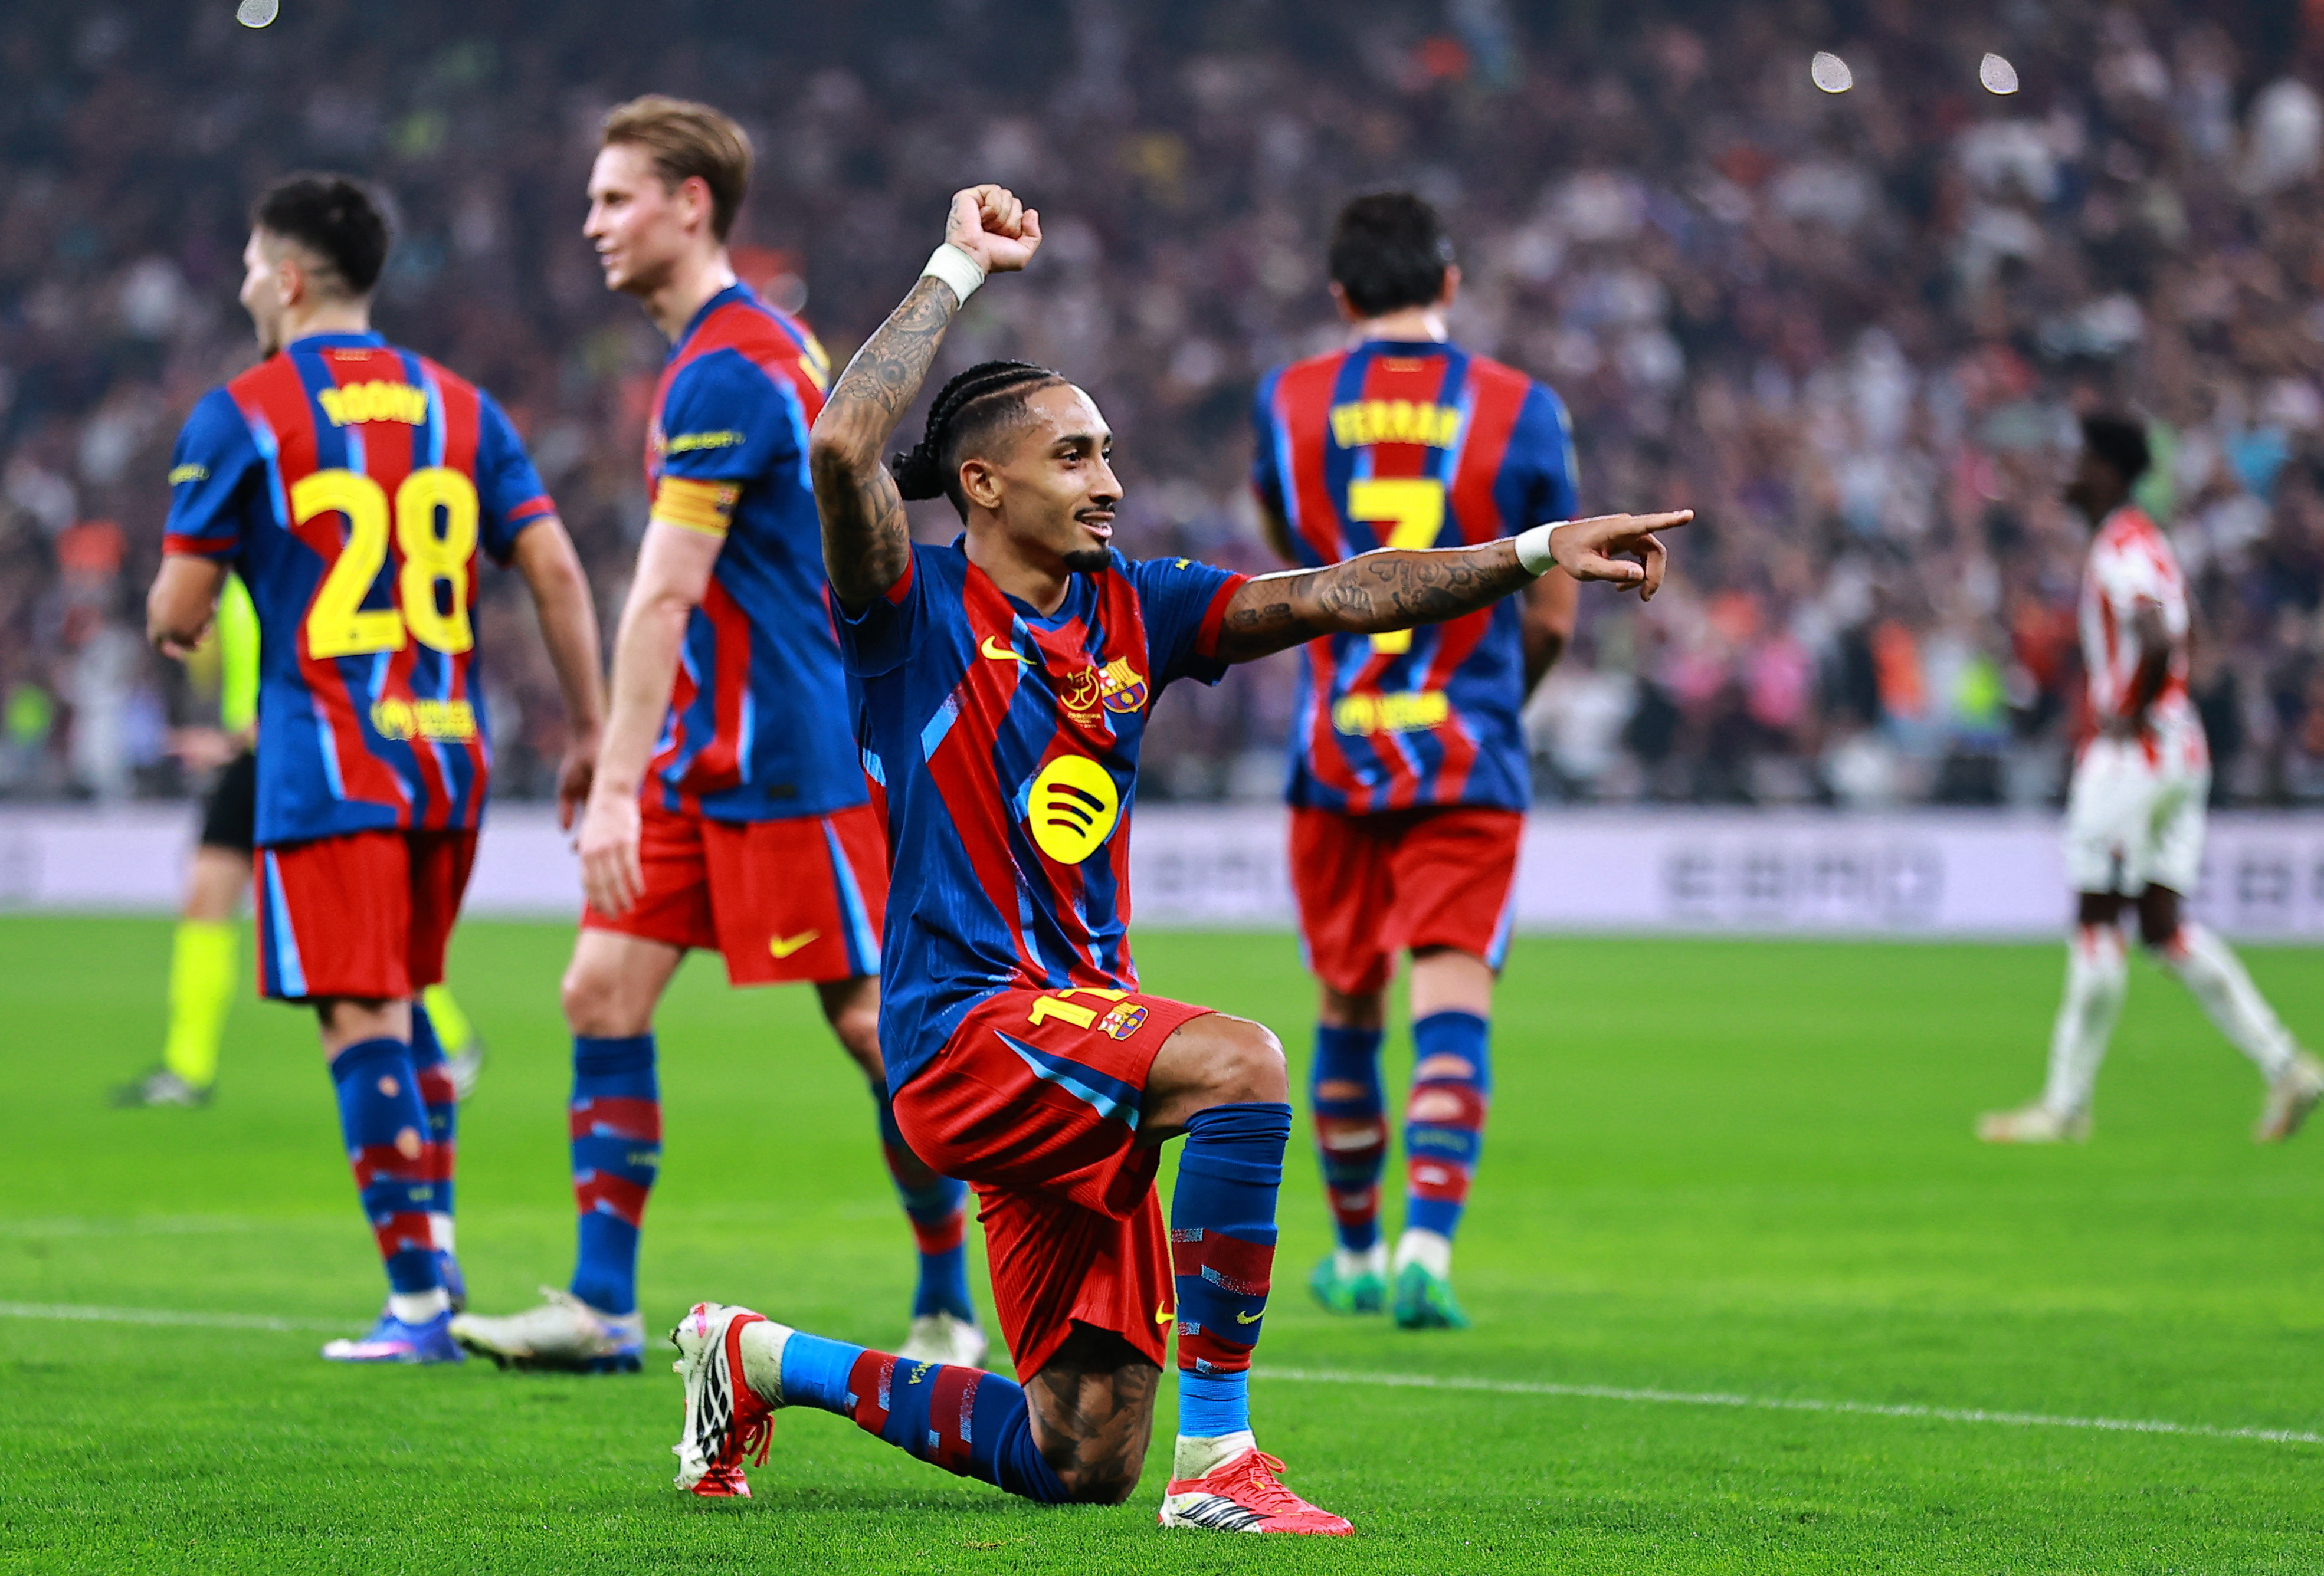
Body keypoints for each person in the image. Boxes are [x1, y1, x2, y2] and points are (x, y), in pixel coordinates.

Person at [664, 184, 1687, 1533]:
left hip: (1068, 1026)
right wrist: (956, 266)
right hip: (963, 1024)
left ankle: (752, 1355)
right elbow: (847, 436)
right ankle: (1223, 1463)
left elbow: (1340, 589)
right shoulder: (905, 610)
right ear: (982, 481)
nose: (1111, 481)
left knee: (1073, 1452)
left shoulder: (1140, 610)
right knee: (1236, 1060)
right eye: (1077, 456)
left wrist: (1532, 549)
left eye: (1108, 455)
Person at [450, 97, 984, 1375]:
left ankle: (948, 1296)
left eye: (616, 198)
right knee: (598, 988)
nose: (592, 223)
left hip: (788, 757)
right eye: (591, 200)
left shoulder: (725, 369)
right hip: (714, 750)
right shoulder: (753, 348)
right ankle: (598, 1306)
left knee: (873, 1027)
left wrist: (613, 784)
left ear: (692, 205)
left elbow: (667, 591)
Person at [145, 173, 605, 1362]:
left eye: (253, 265)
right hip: (446, 755)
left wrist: (183, 598)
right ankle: (434, 1277)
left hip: (328, 759)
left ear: (289, 278)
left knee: (359, 1019)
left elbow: (178, 612)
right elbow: (554, 572)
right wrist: (595, 727)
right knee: (401, 1007)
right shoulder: (465, 409)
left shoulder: (243, 410)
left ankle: (415, 1307)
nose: (249, 284)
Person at [1251, 192, 1580, 1330]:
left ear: (1339, 296)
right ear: (1449, 283)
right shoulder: (1520, 410)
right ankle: (1425, 1251)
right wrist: (1495, 702)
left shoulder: (1288, 403)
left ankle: (1348, 1250)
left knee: (1345, 1002)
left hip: (1334, 752)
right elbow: (1547, 616)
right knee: (1451, 1003)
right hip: (1463, 749)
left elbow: (1302, 566)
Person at [1979, 414, 2323, 1145]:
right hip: (2181, 748)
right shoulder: (2153, 542)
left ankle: (2065, 1107)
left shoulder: (2119, 547)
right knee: (2164, 925)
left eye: (2081, 462)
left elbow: (2162, 636)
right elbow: (2188, 628)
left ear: (2108, 471)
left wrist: (2130, 710)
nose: (2070, 475)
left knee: (2098, 917)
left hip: (2134, 754)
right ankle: (2286, 1064)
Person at [114, 570, 487, 1110]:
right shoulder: (234, 579)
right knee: (205, 896)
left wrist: (230, 739)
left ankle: (451, 1042)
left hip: (299, 748)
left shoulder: (286, 565)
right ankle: (187, 1069)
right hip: (253, 756)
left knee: (360, 914)